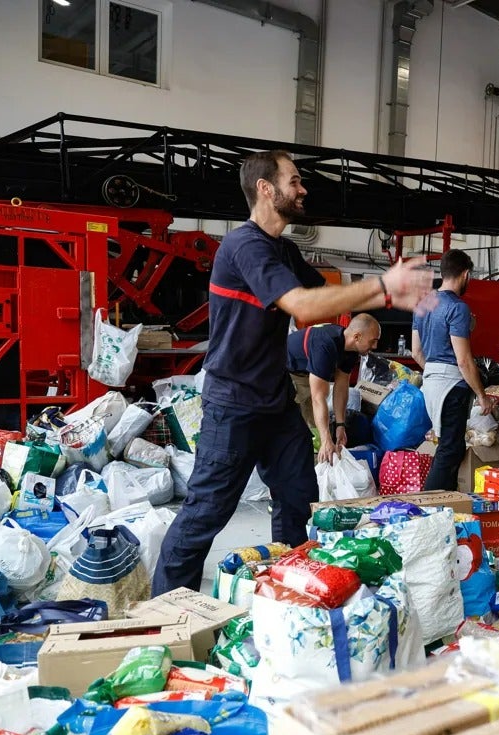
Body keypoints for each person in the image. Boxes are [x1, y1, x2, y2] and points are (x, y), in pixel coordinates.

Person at [152, 149, 432, 595]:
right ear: (266, 189)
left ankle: (290, 588)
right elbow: (301, 306)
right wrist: (382, 285)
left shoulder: (283, 249)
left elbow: (323, 294)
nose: (303, 189)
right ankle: (166, 611)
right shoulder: (243, 245)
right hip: (233, 402)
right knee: (206, 512)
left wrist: (386, 297)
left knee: (299, 500)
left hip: (274, 400)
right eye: (294, 181)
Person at [411, 249, 496, 491]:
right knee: (450, 448)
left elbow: (416, 351)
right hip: (452, 386)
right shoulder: (458, 308)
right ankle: (431, 503)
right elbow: (464, 361)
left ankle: (446, 502)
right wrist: (482, 395)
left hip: (431, 381)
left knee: (449, 446)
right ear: (466, 274)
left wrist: (434, 372)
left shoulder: (424, 303)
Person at [287, 315, 381, 464]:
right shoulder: (325, 345)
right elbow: (318, 398)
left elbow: (341, 388)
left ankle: (319, 469)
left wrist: (340, 425)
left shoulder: (350, 350)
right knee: (300, 427)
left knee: (318, 430)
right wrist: (326, 440)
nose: (375, 347)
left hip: (306, 373)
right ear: (357, 336)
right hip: (285, 372)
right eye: (373, 341)